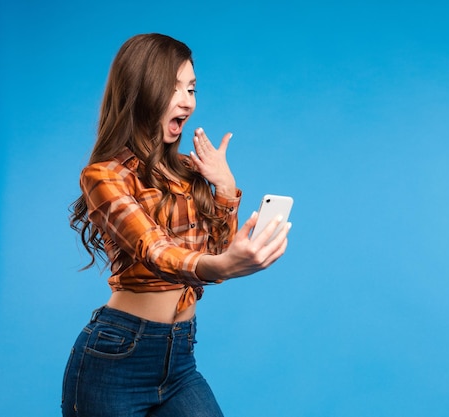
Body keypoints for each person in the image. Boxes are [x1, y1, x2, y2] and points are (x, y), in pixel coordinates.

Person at [61, 33, 290, 417]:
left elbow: (212, 262)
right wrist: (219, 266)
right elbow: (155, 251)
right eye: (174, 88)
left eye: (192, 88)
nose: (188, 101)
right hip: (116, 356)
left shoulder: (188, 170)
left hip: (180, 357)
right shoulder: (104, 177)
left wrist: (225, 187)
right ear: (140, 91)